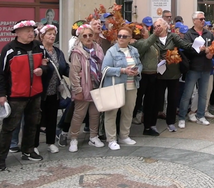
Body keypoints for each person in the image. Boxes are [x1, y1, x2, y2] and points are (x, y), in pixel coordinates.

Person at [0, 20, 48, 170]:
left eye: (32, 30)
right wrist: (2, 94)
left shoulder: (39, 47)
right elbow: (1, 74)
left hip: (35, 94)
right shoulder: (9, 50)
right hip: (16, 96)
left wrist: (42, 69)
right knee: (9, 128)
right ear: (17, 33)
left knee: (32, 124)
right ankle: (1, 158)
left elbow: (47, 65)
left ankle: (28, 151)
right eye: (27, 30)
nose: (31, 33)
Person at [152, 18, 198, 132]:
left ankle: (171, 122)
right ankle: (153, 123)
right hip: (158, 73)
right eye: (155, 26)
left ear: (165, 26)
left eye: (159, 26)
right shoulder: (153, 38)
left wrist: (197, 46)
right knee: (157, 99)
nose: (157, 28)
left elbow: (185, 45)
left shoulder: (172, 36)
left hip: (173, 73)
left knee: (172, 99)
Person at [101, 27, 143, 150]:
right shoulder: (111, 51)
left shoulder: (134, 50)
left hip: (132, 85)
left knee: (128, 112)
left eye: (125, 36)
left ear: (130, 39)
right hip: (116, 86)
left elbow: (139, 64)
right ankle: (111, 139)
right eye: (119, 36)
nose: (121, 38)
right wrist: (122, 70)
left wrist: (137, 71)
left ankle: (124, 136)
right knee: (111, 113)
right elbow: (105, 69)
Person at [67, 24, 105, 152]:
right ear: (80, 37)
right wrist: (77, 90)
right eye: (85, 36)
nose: (88, 38)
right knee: (79, 114)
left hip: (96, 85)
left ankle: (93, 137)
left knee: (95, 114)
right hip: (83, 88)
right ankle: (73, 138)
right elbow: (73, 73)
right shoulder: (76, 52)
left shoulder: (98, 48)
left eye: (90, 35)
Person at [177, 12, 214, 129]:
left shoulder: (208, 33)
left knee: (203, 94)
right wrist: (203, 50)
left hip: (206, 67)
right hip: (193, 68)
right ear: (194, 21)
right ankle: (182, 117)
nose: (203, 21)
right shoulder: (189, 34)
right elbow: (188, 49)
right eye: (201, 19)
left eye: (204, 19)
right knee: (187, 94)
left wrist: (211, 52)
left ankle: (201, 116)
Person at [36, 25, 70, 154]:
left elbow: (64, 67)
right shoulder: (38, 51)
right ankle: (34, 145)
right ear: (42, 36)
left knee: (52, 118)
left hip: (54, 91)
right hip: (40, 91)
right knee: (37, 120)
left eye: (53, 34)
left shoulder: (57, 51)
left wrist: (75, 73)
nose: (52, 36)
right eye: (49, 34)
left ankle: (51, 143)